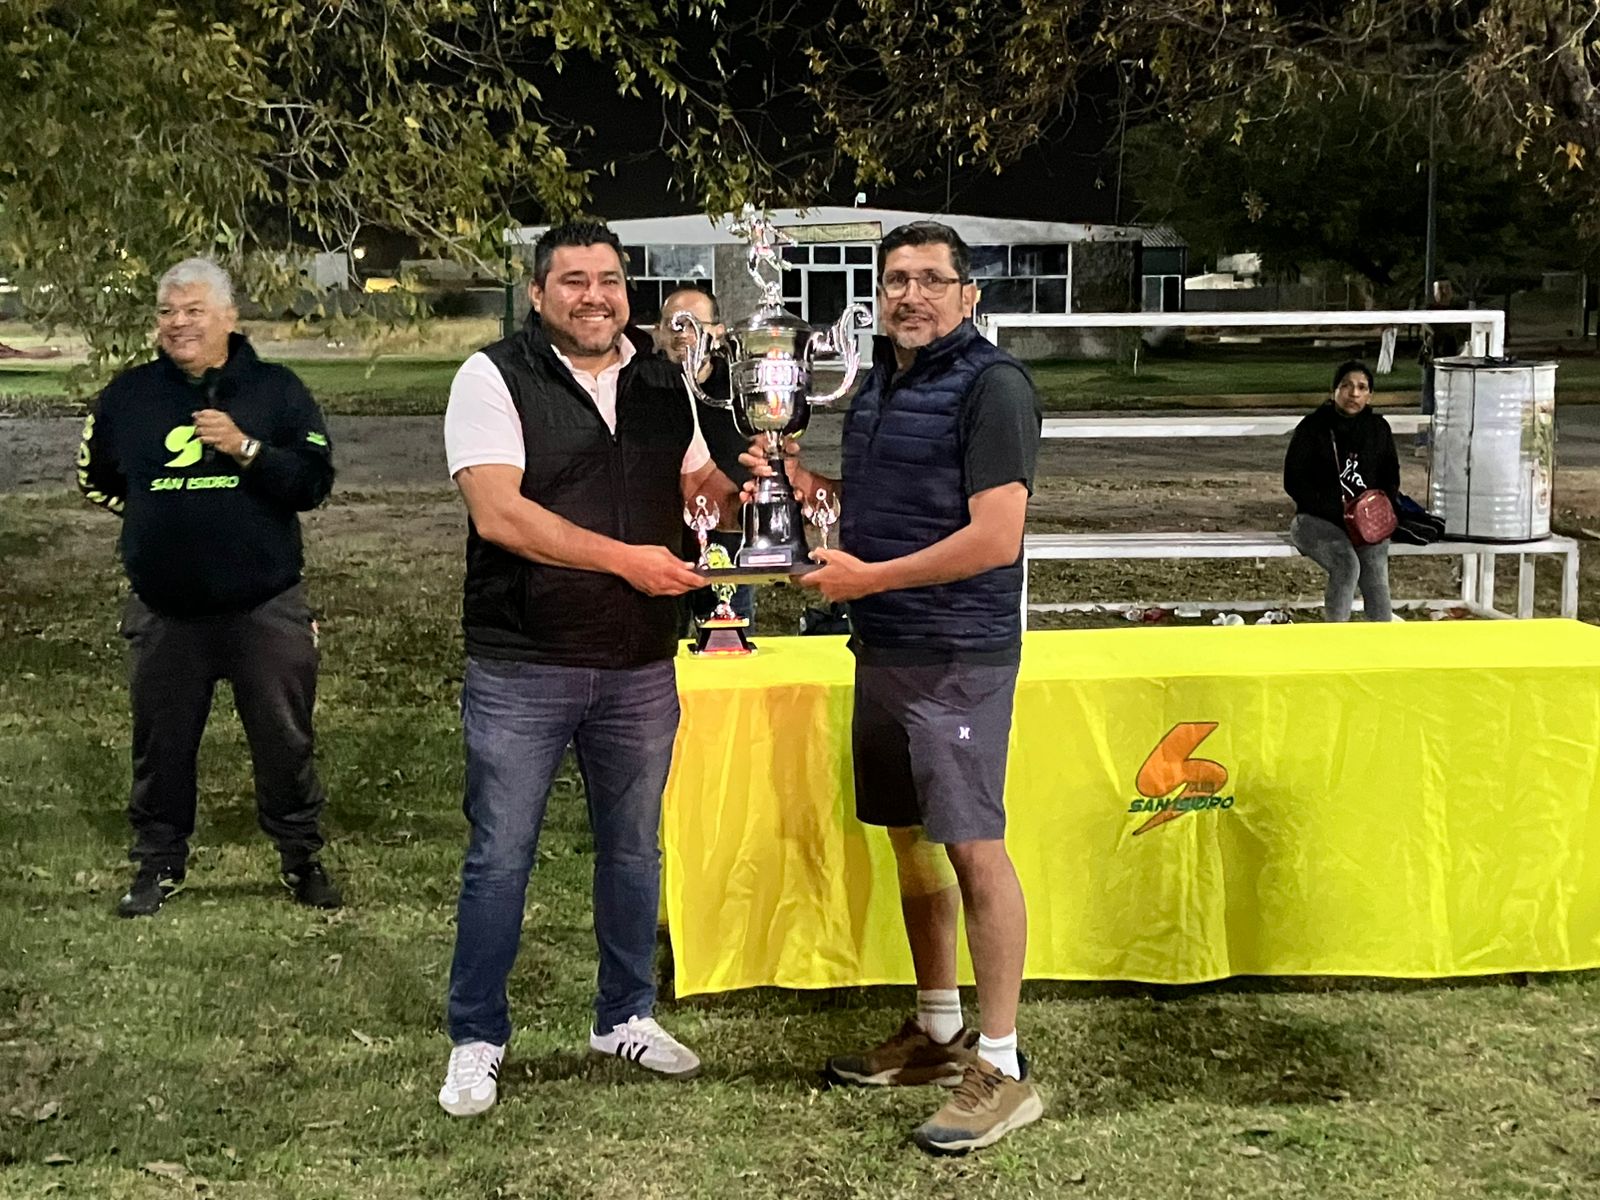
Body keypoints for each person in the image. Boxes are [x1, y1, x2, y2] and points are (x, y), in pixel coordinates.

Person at [746, 221, 1044, 1154]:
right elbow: (881, 505)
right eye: (896, 281)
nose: (911, 295)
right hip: (883, 646)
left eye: (931, 279)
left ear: (968, 293)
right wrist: (800, 482)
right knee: (913, 845)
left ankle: (1003, 1065)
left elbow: (996, 536)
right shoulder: (879, 381)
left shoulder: (994, 387)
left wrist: (868, 580)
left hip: (957, 655)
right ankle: (938, 1029)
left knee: (974, 851)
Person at [437, 220, 741, 1117]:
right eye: (573, 281)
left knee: (634, 849)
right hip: (524, 662)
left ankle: (624, 1015)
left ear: (626, 292)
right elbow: (500, 515)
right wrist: (627, 562)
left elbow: (700, 493)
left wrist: (765, 480)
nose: (594, 296)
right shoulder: (492, 377)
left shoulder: (664, 382)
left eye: (608, 280)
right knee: (501, 856)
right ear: (538, 294)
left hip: (639, 662)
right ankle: (477, 1037)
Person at [75, 257, 340, 918]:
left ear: (229, 317)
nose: (178, 323)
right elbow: (98, 479)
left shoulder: (277, 391)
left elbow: (312, 483)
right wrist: (158, 517)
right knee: (160, 748)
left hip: (264, 606)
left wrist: (247, 450)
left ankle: (300, 857)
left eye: (194, 310)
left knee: (285, 744)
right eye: (167, 312)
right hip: (165, 612)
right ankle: (158, 863)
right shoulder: (129, 396)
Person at [652, 286, 755, 624]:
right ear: (658, 331)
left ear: (719, 332)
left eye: (694, 324)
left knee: (729, 645)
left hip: (729, 548)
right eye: (673, 324)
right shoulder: (640, 388)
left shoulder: (743, 392)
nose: (683, 333)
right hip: (660, 551)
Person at [1284, 360, 1401, 621]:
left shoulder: (1378, 429)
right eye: (1346, 386)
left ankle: (1383, 640)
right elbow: (1294, 481)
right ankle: (1336, 638)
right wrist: (1337, 511)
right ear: (1334, 391)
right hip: (1316, 520)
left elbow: (1390, 478)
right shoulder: (1313, 427)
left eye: (1362, 387)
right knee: (1346, 565)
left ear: (1370, 395)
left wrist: (1373, 513)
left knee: (1375, 574)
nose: (1354, 393)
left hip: (1366, 523)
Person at [1416, 280, 1462, 452]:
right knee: (1428, 401)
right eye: (1440, 288)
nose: (1443, 292)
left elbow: (1459, 333)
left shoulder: (1458, 310)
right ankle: (1423, 441)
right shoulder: (1429, 310)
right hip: (1432, 360)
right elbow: (1429, 331)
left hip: (1453, 361)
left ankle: (1448, 440)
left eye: (1446, 288)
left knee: (1452, 401)